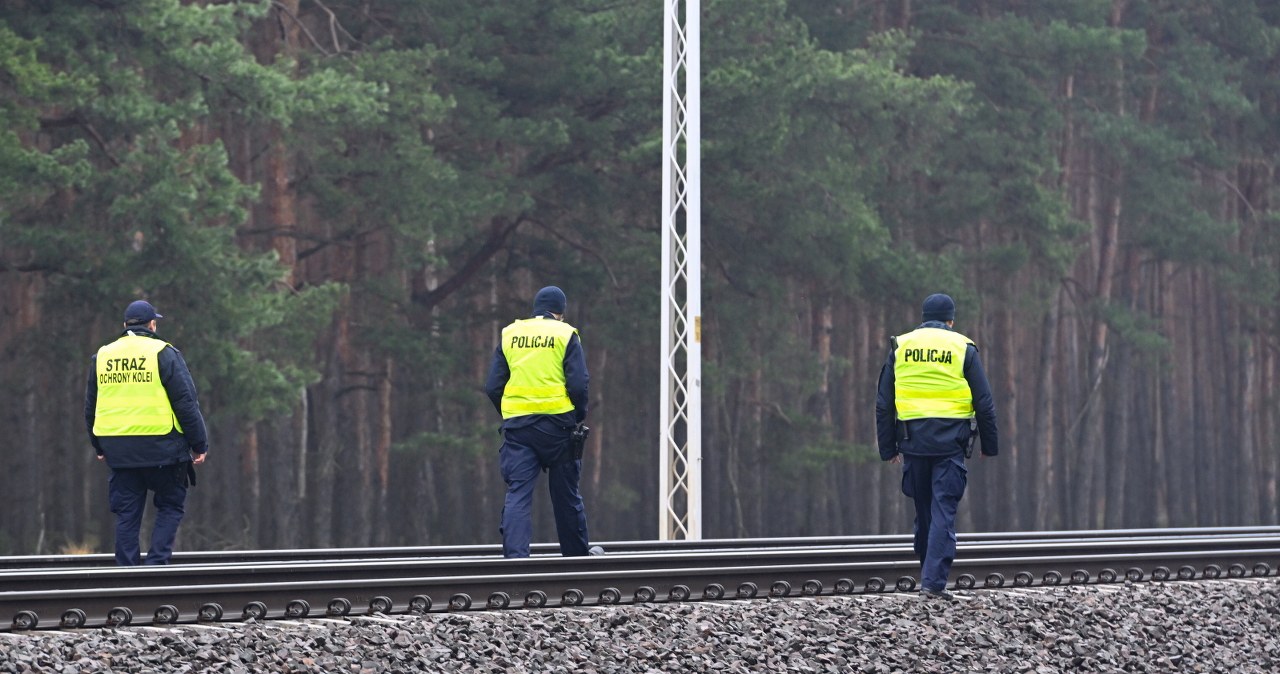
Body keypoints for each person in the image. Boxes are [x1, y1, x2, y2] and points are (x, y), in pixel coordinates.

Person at [875, 293, 998, 600]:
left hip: (913, 442)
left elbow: (883, 403)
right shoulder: (962, 347)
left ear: (923, 317)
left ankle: (928, 576)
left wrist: (888, 447)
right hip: (950, 445)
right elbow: (984, 402)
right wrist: (990, 444)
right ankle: (932, 584)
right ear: (951, 320)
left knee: (924, 513)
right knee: (943, 511)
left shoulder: (901, 347)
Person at [84, 300, 209, 565]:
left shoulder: (103, 355)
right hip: (164, 449)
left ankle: (128, 576)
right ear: (152, 324)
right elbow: (186, 403)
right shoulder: (163, 352)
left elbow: (91, 406)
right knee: (170, 505)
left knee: (127, 515)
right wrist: (199, 444)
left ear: (125, 325)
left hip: (120, 452)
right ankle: (156, 568)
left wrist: (98, 446)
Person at [484, 286, 593, 558]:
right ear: (560, 312)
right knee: (566, 496)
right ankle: (577, 559)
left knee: (518, 493)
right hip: (559, 428)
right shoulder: (565, 334)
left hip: (519, 429)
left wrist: (510, 411)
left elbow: (493, 385)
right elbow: (579, 385)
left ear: (535, 308)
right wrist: (577, 415)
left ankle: (516, 562)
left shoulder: (511, 334)